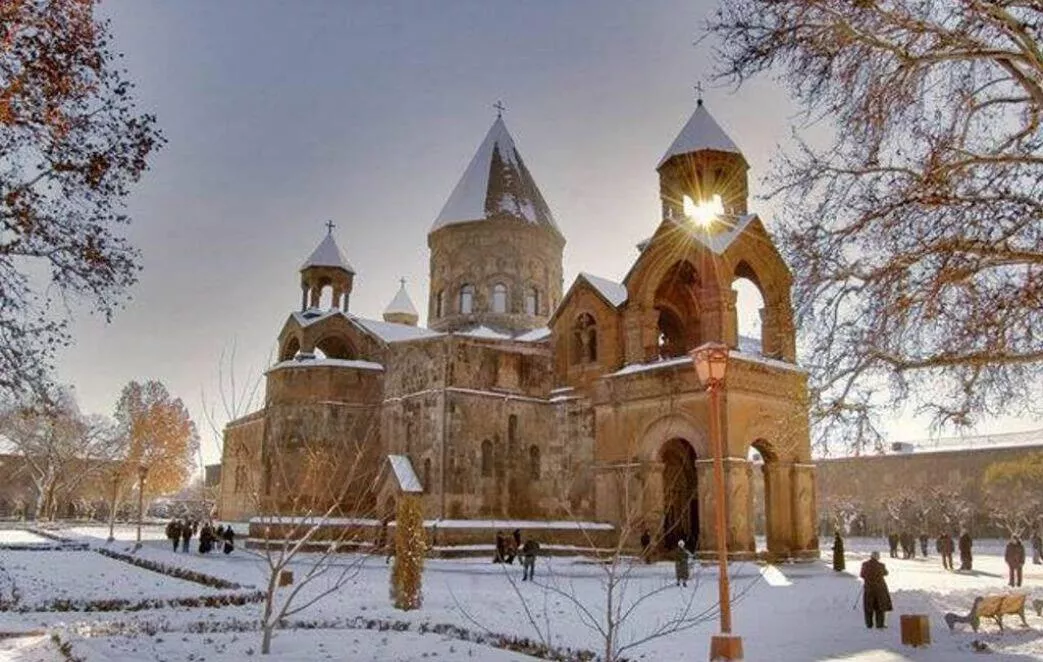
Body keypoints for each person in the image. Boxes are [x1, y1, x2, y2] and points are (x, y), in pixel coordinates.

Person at [860, 551, 893, 629]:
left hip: (869, 589)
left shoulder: (865, 564)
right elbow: (886, 573)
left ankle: (869, 624)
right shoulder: (881, 565)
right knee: (880, 606)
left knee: (868, 606)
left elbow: (862, 575)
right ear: (877, 557)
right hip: (880, 589)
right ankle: (880, 624)